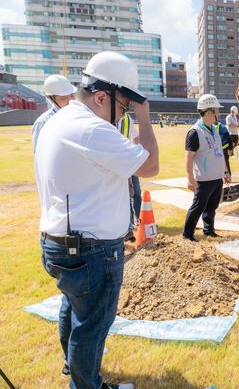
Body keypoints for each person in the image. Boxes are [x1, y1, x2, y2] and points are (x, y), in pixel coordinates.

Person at [35, 50, 159, 389]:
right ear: (102, 97)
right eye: (123, 108)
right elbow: (150, 167)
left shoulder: (58, 120)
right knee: (92, 326)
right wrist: (145, 119)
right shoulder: (91, 129)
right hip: (91, 250)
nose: (123, 116)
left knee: (74, 310)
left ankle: (76, 371)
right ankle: (85, 383)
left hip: (61, 242)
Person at [182, 94, 231, 242]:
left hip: (216, 177)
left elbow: (219, 153)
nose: (219, 113)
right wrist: (190, 178)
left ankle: (209, 231)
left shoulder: (214, 129)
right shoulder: (195, 132)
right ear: (209, 112)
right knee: (198, 207)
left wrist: (225, 171)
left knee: (212, 207)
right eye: (217, 110)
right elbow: (188, 157)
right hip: (203, 179)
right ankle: (187, 234)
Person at [32, 74, 77, 153]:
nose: (70, 101)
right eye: (63, 98)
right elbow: (39, 153)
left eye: (72, 95)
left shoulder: (79, 115)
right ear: (51, 98)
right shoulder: (43, 122)